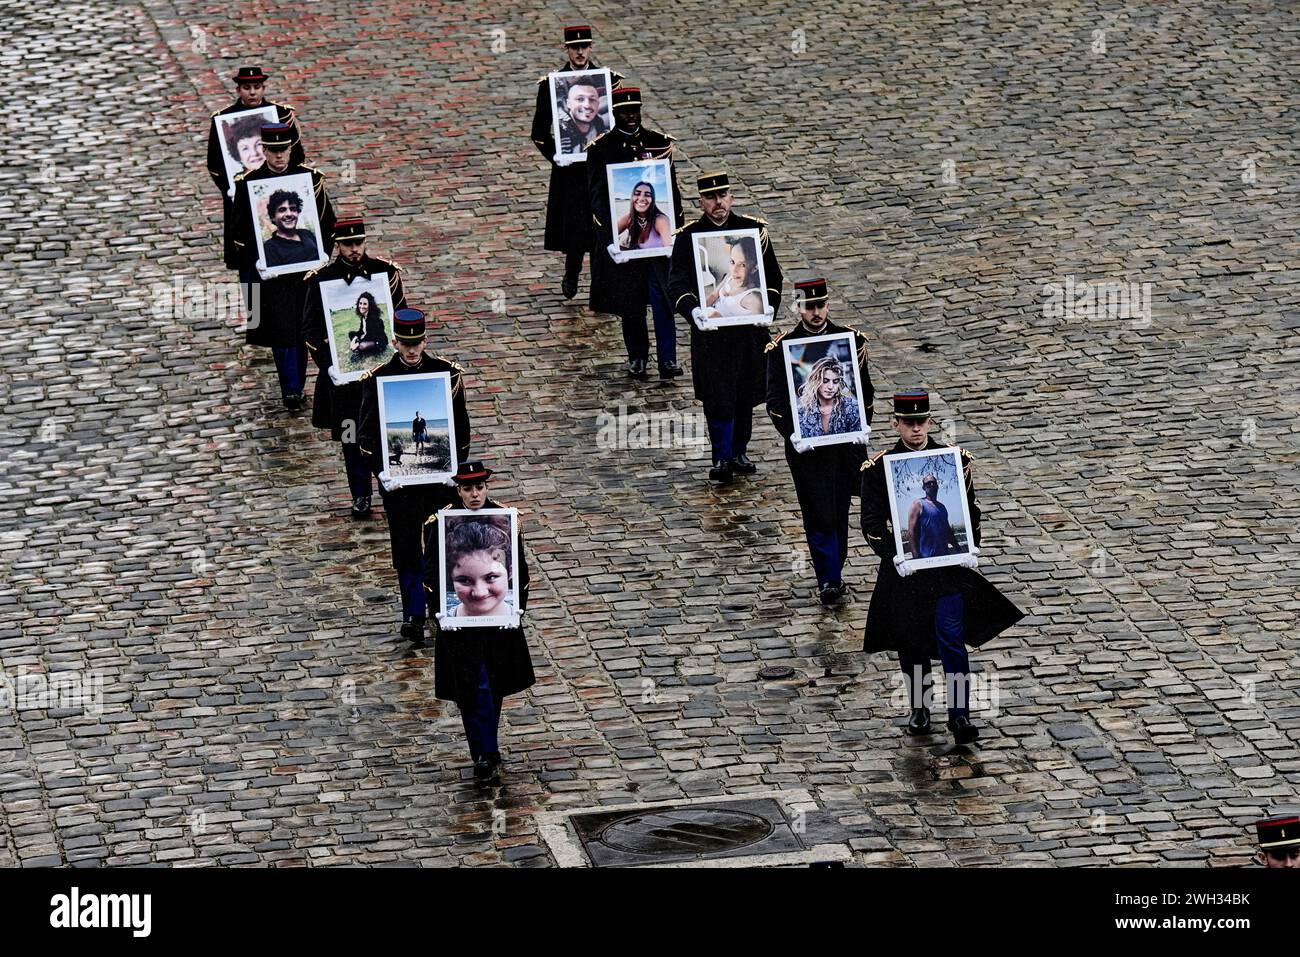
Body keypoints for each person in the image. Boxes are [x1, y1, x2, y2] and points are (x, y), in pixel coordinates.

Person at [859, 391, 1023, 743]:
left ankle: (960, 714)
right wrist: (894, 556)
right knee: (912, 640)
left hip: (947, 572)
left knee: (951, 639)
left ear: (930, 422)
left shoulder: (952, 459)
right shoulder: (879, 468)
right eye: (909, 423)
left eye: (922, 422)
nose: (916, 429)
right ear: (896, 424)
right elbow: (871, 522)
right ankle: (919, 708)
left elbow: (969, 507)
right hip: (907, 572)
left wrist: (970, 547)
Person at [357, 309, 472, 642]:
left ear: (426, 340)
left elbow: (461, 428)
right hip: (401, 486)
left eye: (417, 343)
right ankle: (413, 614)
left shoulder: (446, 374)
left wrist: (455, 467)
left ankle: (441, 608)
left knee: (442, 546)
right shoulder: (378, 378)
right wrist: (383, 471)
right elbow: (365, 437)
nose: (411, 350)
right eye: (405, 344)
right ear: (394, 342)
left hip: (439, 483)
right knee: (407, 549)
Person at [423, 461, 535, 783]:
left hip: (498, 620)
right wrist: (439, 611)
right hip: (459, 624)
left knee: (494, 685)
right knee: (472, 687)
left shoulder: (506, 519)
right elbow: (431, 573)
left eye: (480, 487)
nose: (475, 494)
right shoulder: (440, 522)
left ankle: (489, 746)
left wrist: (517, 610)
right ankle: (482, 753)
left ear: (486, 487)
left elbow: (520, 571)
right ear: (458, 490)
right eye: (468, 489)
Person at [668, 172, 783, 483]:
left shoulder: (754, 231)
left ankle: (739, 450)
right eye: (710, 197)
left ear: (731, 197)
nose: (718, 203)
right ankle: (720, 456)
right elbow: (676, 283)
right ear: (701, 201)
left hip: (747, 333)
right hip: (712, 338)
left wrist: (768, 306)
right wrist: (694, 311)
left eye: (723, 196)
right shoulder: (688, 236)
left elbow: (772, 277)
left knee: (745, 392)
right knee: (718, 397)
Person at [765, 278, 873, 603]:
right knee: (817, 511)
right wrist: (794, 434)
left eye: (820, 305)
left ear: (828, 304)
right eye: (809, 306)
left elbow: (865, 391)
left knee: (839, 509)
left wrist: (863, 422)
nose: (815, 312)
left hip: (843, 448)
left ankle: (834, 569)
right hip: (808, 452)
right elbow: (776, 402)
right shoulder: (784, 348)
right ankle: (828, 578)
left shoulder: (852, 341)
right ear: (798, 308)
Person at [302, 217, 407, 517]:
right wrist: (328, 364)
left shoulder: (384, 273)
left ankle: (389, 483)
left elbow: (401, 316)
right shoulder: (320, 279)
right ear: (337, 245)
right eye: (348, 244)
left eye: (358, 243)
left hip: (381, 375)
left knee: (385, 431)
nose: (354, 249)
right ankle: (360, 494)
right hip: (345, 382)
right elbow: (309, 330)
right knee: (351, 437)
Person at [227, 123, 335, 411]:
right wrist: (257, 260)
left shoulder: (308, 180)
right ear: (264, 150)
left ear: (290, 149)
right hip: (274, 275)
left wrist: (324, 254)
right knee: (282, 332)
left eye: (283, 150)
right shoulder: (248, 183)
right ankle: (291, 389)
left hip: (307, 272)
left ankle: (299, 382)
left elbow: (328, 223)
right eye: (273, 151)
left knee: (306, 330)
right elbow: (238, 231)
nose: (278, 157)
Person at [587, 87, 684, 381]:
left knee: (663, 300)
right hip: (627, 242)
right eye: (624, 112)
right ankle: (638, 357)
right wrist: (611, 239)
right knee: (631, 303)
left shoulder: (658, 143)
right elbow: (597, 200)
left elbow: (672, 193)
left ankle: (668, 358)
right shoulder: (602, 149)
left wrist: (676, 233)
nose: (631, 117)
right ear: (615, 114)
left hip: (657, 242)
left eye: (635, 111)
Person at [530, 25, 623, 300]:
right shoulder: (551, 84)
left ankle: (600, 284)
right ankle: (572, 273)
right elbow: (539, 132)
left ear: (591, 47)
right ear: (567, 49)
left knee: (600, 224)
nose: (580, 52)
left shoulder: (607, 81)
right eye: (574, 47)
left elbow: (616, 124)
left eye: (584, 46)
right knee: (574, 224)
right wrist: (555, 155)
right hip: (569, 170)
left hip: (598, 169)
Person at [206, 66, 303, 207]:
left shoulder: (282, 114)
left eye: (256, 87)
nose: (252, 92)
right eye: (246, 87)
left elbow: (296, 155)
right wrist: (232, 189)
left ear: (263, 88)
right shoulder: (222, 117)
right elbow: (215, 163)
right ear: (238, 90)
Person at [704, 239, 765, 319]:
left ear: (754, 268)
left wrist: (717, 317)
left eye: (742, 265)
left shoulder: (754, 299)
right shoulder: (730, 276)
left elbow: (755, 328)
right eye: (732, 262)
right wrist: (699, 310)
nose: (734, 270)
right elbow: (713, 295)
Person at [262, 189, 321, 267]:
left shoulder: (306, 233)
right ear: (273, 217)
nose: (289, 214)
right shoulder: (269, 248)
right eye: (282, 210)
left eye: (293, 209)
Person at [616, 181, 672, 251]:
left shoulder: (660, 220)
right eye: (637, 193)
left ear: (652, 199)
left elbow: (670, 248)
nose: (642, 198)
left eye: (647, 195)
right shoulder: (629, 217)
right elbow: (607, 235)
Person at [347, 292, 385, 357]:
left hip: (377, 341)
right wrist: (354, 340)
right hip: (367, 338)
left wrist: (357, 343)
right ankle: (358, 349)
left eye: (365, 304)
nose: (361, 306)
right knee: (351, 333)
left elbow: (371, 336)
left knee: (362, 345)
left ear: (369, 306)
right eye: (360, 303)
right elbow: (361, 331)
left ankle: (359, 351)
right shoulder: (363, 317)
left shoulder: (373, 318)